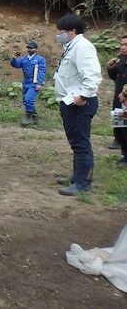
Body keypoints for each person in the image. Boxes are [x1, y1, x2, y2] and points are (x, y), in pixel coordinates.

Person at [54, 13, 102, 196]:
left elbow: (92, 74)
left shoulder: (82, 47)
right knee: (75, 142)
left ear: (72, 30)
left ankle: (83, 184)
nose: (58, 34)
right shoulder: (71, 47)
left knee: (81, 143)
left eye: (61, 31)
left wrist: (82, 96)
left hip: (80, 102)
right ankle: (76, 176)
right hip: (69, 100)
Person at [10, 41, 47, 126]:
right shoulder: (24, 59)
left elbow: (42, 71)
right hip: (26, 82)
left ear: (36, 49)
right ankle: (34, 116)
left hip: (34, 82)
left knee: (28, 99)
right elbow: (17, 65)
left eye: (31, 48)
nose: (29, 49)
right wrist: (13, 59)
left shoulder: (40, 59)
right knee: (25, 101)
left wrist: (39, 83)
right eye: (28, 48)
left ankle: (28, 117)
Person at [107, 35, 127, 164]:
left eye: (126, 45)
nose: (123, 47)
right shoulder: (121, 60)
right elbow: (114, 77)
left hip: (125, 100)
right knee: (120, 126)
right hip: (119, 99)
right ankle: (123, 151)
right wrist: (110, 67)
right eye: (122, 44)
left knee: (126, 128)